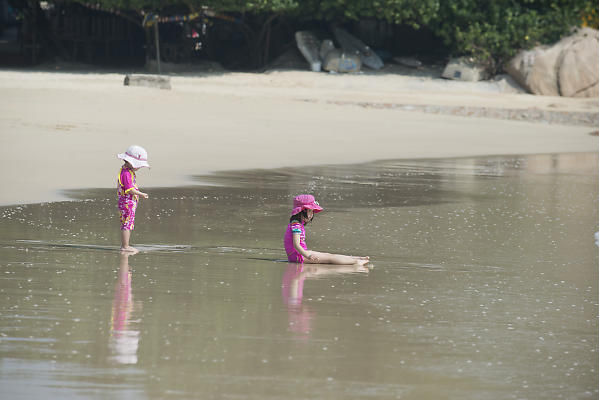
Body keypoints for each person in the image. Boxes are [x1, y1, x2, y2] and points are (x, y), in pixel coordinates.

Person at [283, 194, 370, 265]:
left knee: (329, 255)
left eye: (312, 212)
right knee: (329, 258)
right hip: (298, 257)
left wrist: (306, 254)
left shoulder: (297, 223)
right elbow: (296, 245)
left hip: (299, 254)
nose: (310, 215)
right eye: (308, 211)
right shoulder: (296, 225)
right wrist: (308, 256)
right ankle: (355, 262)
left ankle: (355, 258)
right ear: (300, 211)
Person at [117, 145, 149, 253]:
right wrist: (141, 194)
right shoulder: (126, 173)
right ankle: (125, 246)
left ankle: (126, 245)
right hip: (127, 203)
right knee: (127, 224)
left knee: (129, 223)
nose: (139, 167)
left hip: (129, 202)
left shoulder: (128, 171)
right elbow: (129, 189)